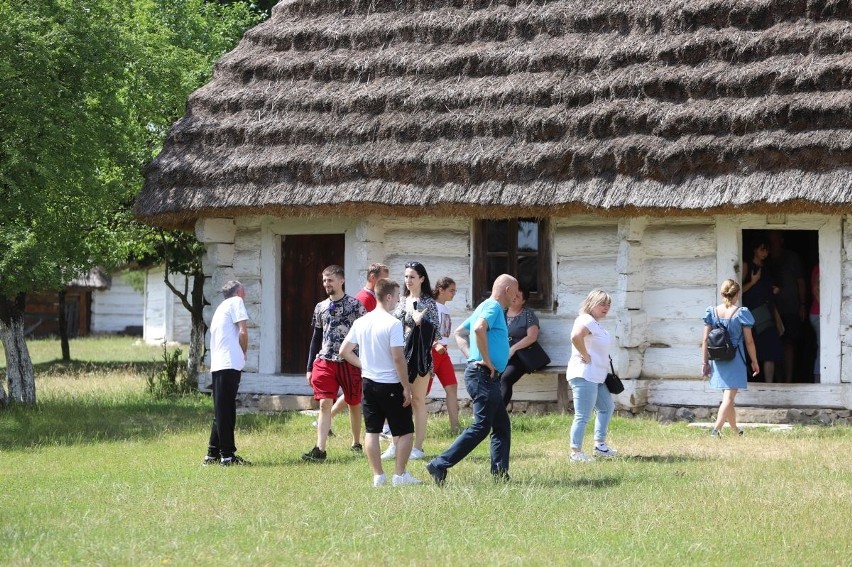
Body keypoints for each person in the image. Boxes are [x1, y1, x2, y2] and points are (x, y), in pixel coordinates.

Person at [425, 274, 518, 486]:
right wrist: (482, 360)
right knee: (482, 427)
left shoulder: (485, 307)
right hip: (484, 375)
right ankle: (439, 463)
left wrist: (472, 357)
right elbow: (477, 329)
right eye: (515, 291)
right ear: (506, 290)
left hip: (486, 375)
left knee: (501, 427)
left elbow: (460, 332)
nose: (516, 296)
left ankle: (500, 475)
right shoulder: (493, 307)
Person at [340, 278, 421, 487]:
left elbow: (344, 351)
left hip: (369, 383)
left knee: (372, 431)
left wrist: (364, 365)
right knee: (405, 431)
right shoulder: (392, 323)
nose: (397, 301)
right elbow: (398, 358)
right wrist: (406, 387)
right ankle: (400, 475)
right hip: (391, 384)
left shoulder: (361, 321)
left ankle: (378, 476)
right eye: (396, 296)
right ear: (388, 297)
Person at [320, 263, 391, 440]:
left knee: (354, 397)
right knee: (349, 397)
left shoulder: (361, 300)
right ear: (373, 278)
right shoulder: (364, 299)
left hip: (353, 358)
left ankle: (355, 436)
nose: (386, 282)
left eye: (330, 280)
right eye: (383, 278)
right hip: (342, 357)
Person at [303, 265, 366, 461]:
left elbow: (365, 334)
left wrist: (365, 361)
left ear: (341, 281)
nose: (326, 284)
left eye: (330, 280)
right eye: (324, 280)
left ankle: (356, 442)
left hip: (350, 361)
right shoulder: (320, 307)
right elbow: (316, 336)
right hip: (325, 360)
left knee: (354, 403)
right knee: (324, 404)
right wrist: (309, 368)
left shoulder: (356, 306)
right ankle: (320, 449)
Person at [382, 261, 439, 462]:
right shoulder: (401, 300)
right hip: (399, 356)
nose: (408, 281)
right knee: (397, 401)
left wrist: (418, 322)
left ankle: (418, 447)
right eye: (406, 277)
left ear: (422, 279)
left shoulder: (429, 303)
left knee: (417, 400)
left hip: (419, 359)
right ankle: (394, 443)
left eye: (412, 277)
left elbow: (436, 332)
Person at [566, 290, 620, 462]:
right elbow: (575, 336)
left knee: (606, 407)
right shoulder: (586, 319)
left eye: (608, 304)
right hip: (584, 374)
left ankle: (600, 446)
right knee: (583, 415)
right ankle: (576, 453)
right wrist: (585, 354)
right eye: (602, 304)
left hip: (597, 376)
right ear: (591, 303)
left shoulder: (596, 324)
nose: (606, 307)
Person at [702, 279, 760, 437]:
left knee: (728, 397)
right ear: (738, 294)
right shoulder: (742, 313)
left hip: (718, 358)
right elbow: (748, 341)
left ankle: (735, 430)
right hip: (735, 357)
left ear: (722, 293)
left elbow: (705, 340)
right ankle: (716, 430)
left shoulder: (712, 312)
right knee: (729, 396)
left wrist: (705, 362)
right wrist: (754, 361)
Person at [204, 280, 251, 466]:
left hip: (218, 364)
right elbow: (243, 332)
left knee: (221, 410)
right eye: (244, 289)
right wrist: (244, 351)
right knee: (226, 412)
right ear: (238, 292)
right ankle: (228, 456)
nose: (245, 293)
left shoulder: (221, 307)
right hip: (228, 363)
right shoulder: (236, 302)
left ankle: (212, 454)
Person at [741, 234, 784, 382]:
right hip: (751, 315)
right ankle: (751, 382)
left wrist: (774, 291)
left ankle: (769, 384)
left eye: (767, 250)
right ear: (754, 250)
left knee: (770, 349)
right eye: (762, 250)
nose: (765, 253)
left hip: (768, 315)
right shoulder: (747, 266)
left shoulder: (768, 268)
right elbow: (738, 291)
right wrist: (753, 282)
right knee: (752, 349)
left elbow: (769, 296)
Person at [766, 230, 807, 382]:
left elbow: (801, 282)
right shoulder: (766, 259)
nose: (773, 243)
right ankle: (777, 380)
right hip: (771, 309)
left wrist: (802, 304)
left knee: (789, 344)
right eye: (770, 240)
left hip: (790, 307)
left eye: (775, 240)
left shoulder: (791, 258)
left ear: (781, 240)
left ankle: (788, 381)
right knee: (774, 345)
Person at [501, 288, 542, 407]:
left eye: (518, 296)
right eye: (513, 295)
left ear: (523, 301)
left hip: (520, 358)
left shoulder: (528, 315)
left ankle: (498, 413)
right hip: (501, 356)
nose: (514, 298)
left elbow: (532, 337)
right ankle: (486, 412)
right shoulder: (501, 313)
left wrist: (513, 349)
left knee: (506, 378)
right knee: (491, 377)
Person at [430, 277, 460, 434]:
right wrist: (435, 344)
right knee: (420, 392)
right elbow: (423, 329)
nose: (454, 293)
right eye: (451, 290)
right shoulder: (431, 306)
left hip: (443, 352)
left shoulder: (444, 308)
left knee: (452, 386)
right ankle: (390, 425)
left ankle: (455, 427)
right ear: (441, 289)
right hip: (432, 351)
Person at [810, 264, 820, 382]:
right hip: (819, 313)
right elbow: (816, 288)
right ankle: (819, 381)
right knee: (822, 348)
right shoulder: (820, 267)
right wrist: (825, 307)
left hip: (816, 312)